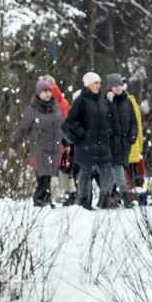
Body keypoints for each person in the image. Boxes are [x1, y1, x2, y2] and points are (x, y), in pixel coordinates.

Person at [64, 71, 120, 209]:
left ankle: (105, 199)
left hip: (103, 144)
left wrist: (110, 131)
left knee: (107, 171)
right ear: (88, 84)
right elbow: (70, 122)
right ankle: (84, 201)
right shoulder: (81, 100)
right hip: (86, 145)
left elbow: (110, 117)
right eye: (95, 82)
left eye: (99, 83)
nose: (98, 85)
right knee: (85, 174)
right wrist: (82, 134)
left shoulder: (103, 99)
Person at [13, 80, 64, 205]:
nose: (47, 94)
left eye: (49, 91)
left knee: (49, 174)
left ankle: (45, 197)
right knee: (42, 173)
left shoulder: (55, 107)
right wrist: (14, 144)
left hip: (54, 147)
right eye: (44, 91)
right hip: (39, 146)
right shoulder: (32, 110)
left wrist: (67, 143)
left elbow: (62, 126)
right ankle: (40, 198)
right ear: (39, 93)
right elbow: (22, 128)